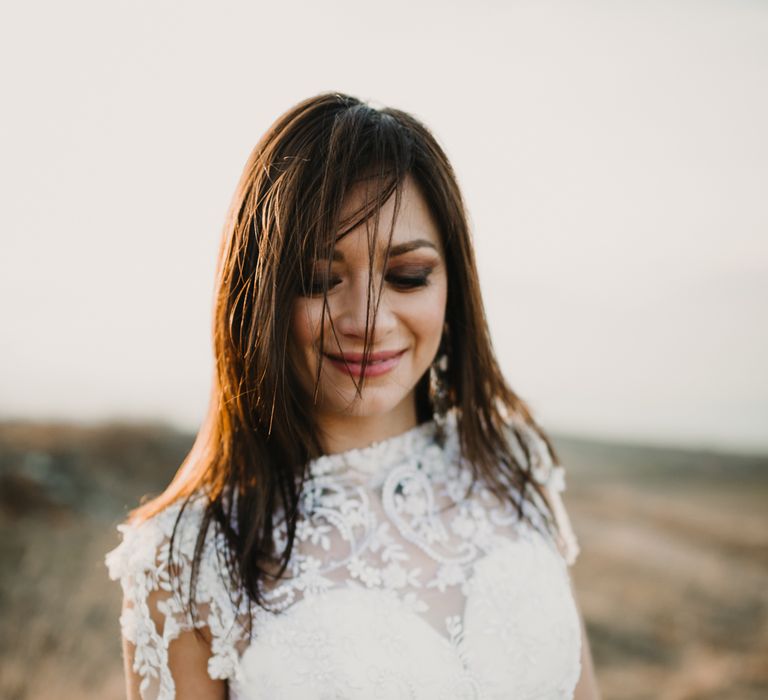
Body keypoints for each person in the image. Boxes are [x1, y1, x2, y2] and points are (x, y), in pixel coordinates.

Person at [105, 92, 601, 700]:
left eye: (407, 276)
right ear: (260, 299)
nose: (367, 319)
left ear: (453, 286)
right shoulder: (184, 561)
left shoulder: (508, 463)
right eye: (318, 280)